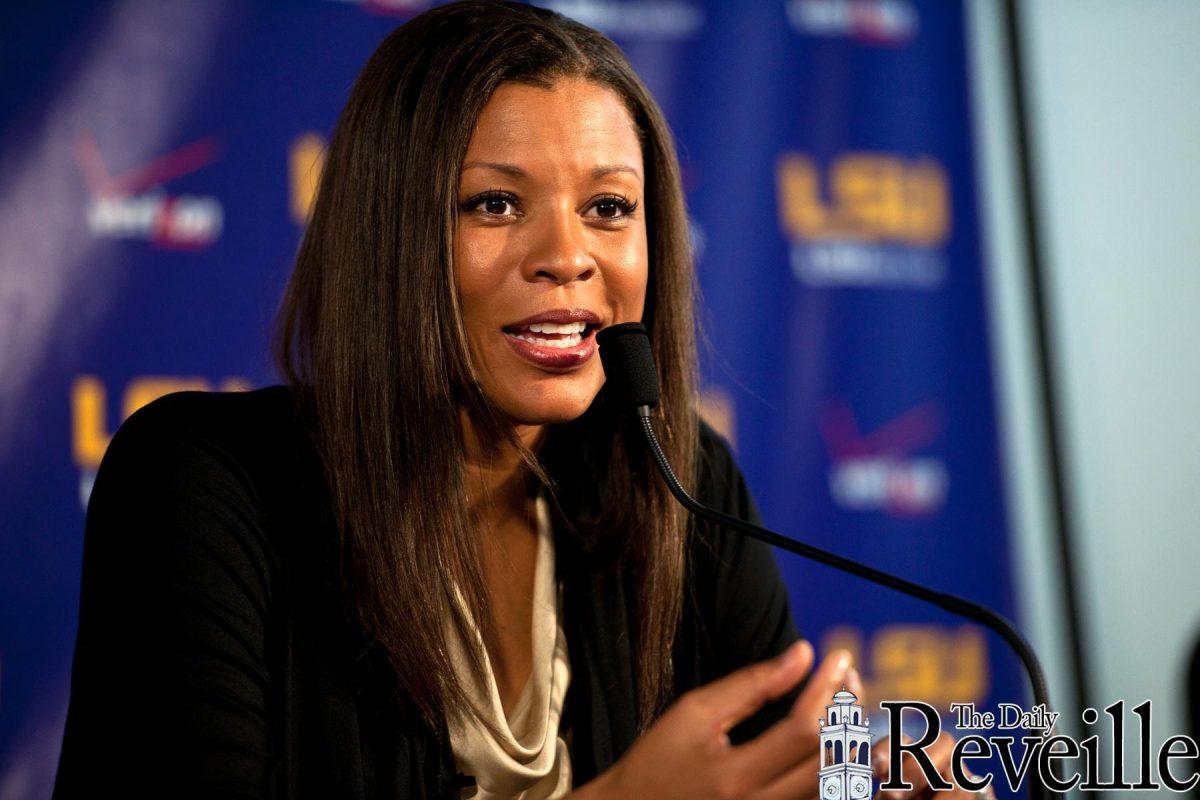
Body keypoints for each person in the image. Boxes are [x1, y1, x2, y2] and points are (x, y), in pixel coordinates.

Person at [51, 2, 981, 798]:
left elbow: (784, 761)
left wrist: (881, 777)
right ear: (392, 233)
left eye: (610, 208)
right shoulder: (204, 483)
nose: (567, 255)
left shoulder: (675, 479)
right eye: (495, 204)